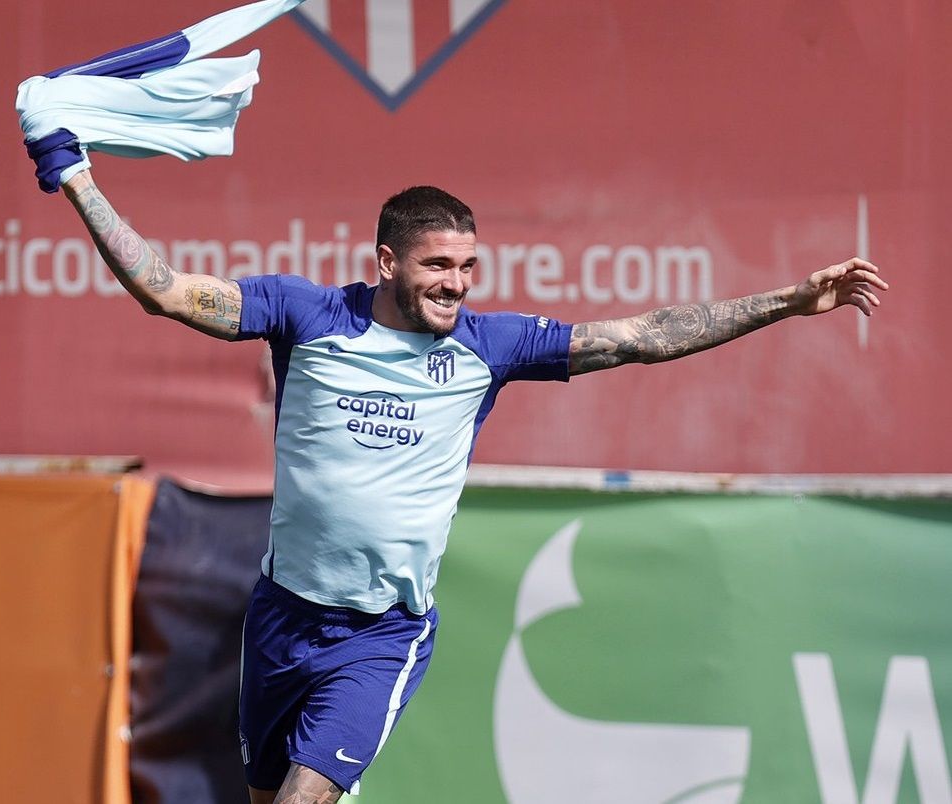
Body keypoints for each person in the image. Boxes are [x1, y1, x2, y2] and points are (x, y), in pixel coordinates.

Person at [58, 168, 886, 804]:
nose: (456, 283)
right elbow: (163, 290)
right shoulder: (305, 315)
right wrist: (80, 180)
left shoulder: (489, 346)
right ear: (386, 260)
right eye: (437, 265)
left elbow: (641, 336)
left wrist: (787, 301)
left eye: (468, 266)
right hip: (280, 617)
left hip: (379, 637)